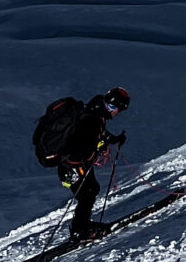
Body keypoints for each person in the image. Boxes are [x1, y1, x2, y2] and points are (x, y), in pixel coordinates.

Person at [49, 87, 130, 241]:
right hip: (72, 165)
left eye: (118, 109)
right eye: (114, 108)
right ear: (109, 104)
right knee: (86, 194)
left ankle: (82, 225)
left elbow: (97, 136)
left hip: (76, 164)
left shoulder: (96, 112)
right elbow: (83, 143)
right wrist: (100, 145)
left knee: (91, 190)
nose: (115, 112)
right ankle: (79, 230)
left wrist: (112, 140)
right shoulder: (92, 118)